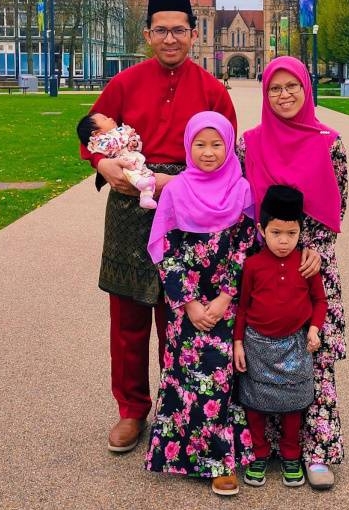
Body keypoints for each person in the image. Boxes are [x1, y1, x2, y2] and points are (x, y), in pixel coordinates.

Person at [79, 0, 237, 455]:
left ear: (193, 33)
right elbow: (91, 133)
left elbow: (227, 160)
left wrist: (175, 184)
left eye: (180, 30)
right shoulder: (124, 84)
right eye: (161, 30)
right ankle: (131, 410)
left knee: (180, 315)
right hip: (129, 211)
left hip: (188, 212)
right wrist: (103, 167)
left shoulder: (212, 91)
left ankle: (178, 403)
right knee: (127, 316)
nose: (171, 39)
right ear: (148, 34)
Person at [237, 55, 348, 490]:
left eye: (292, 87)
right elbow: (244, 207)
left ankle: (314, 450)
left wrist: (315, 250)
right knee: (258, 356)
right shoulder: (250, 143)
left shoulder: (329, 142)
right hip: (263, 265)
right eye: (274, 89)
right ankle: (259, 448)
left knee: (313, 356)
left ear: (306, 89)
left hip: (310, 265)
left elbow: (338, 205)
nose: (283, 96)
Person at [144, 111, 257, 496]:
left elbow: (245, 248)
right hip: (187, 304)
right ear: (188, 147)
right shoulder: (176, 191)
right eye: (200, 144)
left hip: (227, 301)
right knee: (186, 373)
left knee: (224, 375)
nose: (208, 153)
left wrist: (226, 297)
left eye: (217, 144)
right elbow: (165, 250)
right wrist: (189, 302)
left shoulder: (241, 190)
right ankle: (187, 455)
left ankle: (225, 460)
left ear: (229, 147)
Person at [234, 184, 326, 489]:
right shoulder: (253, 266)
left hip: (294, 345)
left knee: (293, 405)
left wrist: (314, 328)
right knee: (255, 403)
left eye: (291, 233)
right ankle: (259, 453)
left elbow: (320, 302)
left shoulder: (306, 265)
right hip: (257, 345)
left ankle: (290, 455)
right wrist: (238, 343)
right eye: (276, 233)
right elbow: (243, 308)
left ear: (301, 231)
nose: (284, 241)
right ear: (262, 230)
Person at [76, 113, 157, 209]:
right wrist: (126, 137)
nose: (110, 118)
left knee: (146, 173)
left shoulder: (120, 131)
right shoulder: (100, 141)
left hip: (134, 158)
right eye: (105, 119)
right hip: (122, 163)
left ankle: (146, 197)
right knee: (130, 172)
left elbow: (136, 143)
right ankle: (140, 183)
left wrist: (134, 142)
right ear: (96, 133)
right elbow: (112, 146)